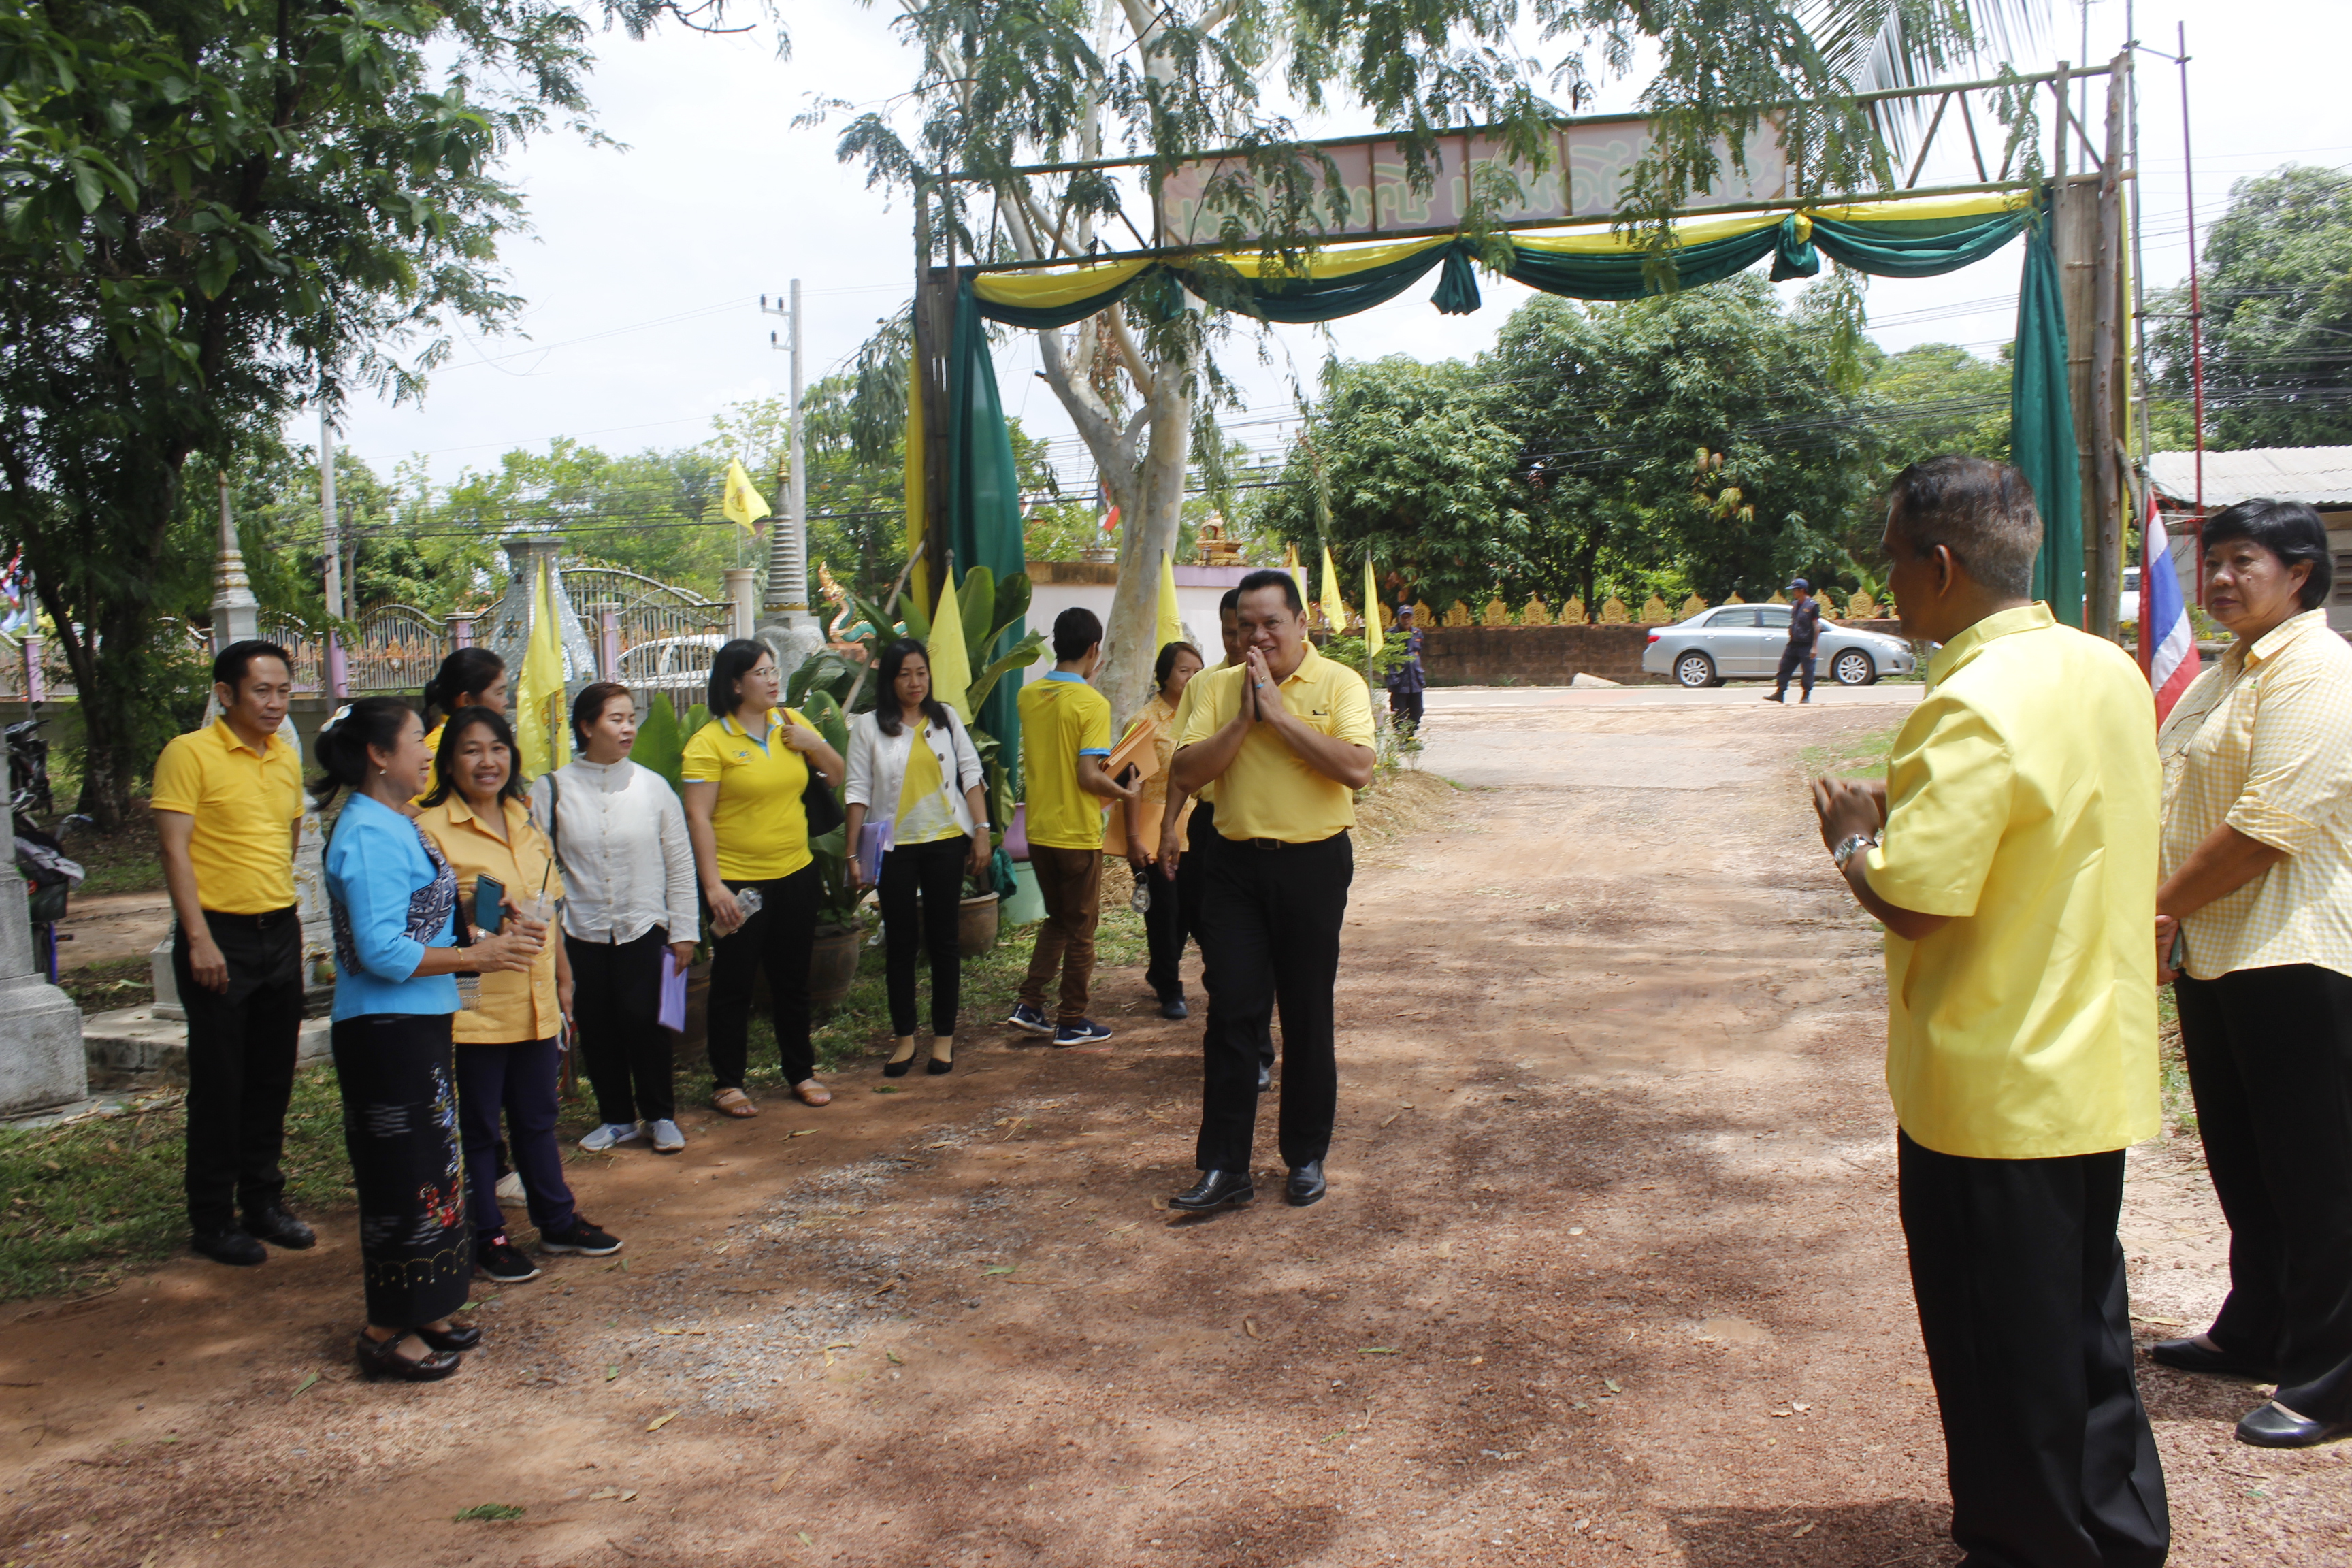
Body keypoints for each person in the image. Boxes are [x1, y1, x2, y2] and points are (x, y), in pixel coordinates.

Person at [1810, 456, 2169, 1565]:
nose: (1887, 585)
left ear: (1942, 565)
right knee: (2081, 1318)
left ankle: (2029, 1542)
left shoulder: (1968, 699)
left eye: (1893, 563)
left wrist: (1854, 838)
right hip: (2088, 1060)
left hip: (1990, 1081)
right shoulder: (2104, 668)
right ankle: (2116, 1522)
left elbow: (1918, 901)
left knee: (1996, 1341)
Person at [2146, 497, 2352, 1450]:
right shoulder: (2224, 673)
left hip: (2296, 953)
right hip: (2221, 953)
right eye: (2212, 563)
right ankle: (2257, 1327)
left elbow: (2271, 824)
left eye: (2243, 563)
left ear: (2301, 571)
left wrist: (2163, 907)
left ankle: (2330, 1379)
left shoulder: (2316, 669)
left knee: (2318, 1174)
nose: (2220, 580)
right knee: (2245, 1159)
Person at [315, 697, 541, 1382]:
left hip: (418, 1021)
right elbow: (384, 952)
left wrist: (485, 928)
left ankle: (431, 1307)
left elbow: (427, 921)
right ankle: (386, 1331)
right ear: (379, 755)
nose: (428, 747)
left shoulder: (398, 822)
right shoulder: (366, 835)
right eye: (419, 738)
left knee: (432, 1171)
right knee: (401, 1178)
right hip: (385, 1032)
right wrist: (479, 959)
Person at [1170, 569, 1375, 1213]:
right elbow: (1183, 769)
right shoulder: (1214, 687)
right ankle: (1225, 1167)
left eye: (1270, 624)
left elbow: (1358, 769)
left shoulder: (1340, 682)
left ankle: (1305, 1156)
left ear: (1299, 625)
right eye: (1244, 627)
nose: (1257, 637)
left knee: (1307, 1010)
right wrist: (1244, 719)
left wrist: (1282, 718)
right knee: (1232, 1010)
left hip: (1314, 865)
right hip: (1232, 865)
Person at [416, 708, 622, 1284]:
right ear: (449, 763)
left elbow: (549, 906)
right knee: (482, 1126)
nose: (488, 762)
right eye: (472, 751)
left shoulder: (525, 819)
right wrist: (484, 919)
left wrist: (563, 975)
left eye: (498, 749)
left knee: (538, 1116)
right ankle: (488, 1237)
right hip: (475, 999)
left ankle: (557, 1220)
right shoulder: (431, 828)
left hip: (535, 994)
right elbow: (436, 920)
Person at [152, 640, 313, 1267]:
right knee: (222, 1081)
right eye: (262, 692)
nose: (275, 704)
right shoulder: (188, 755)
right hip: (219, 935)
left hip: (281, 929)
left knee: (273, 1076)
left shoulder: (284, 759)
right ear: (226, 695)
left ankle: (264, 1203)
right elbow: (174, 850)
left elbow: (290, 837)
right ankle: (212, 1218)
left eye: (283, 691)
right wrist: (197, 939)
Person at [682, 638, 847, 1115]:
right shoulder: (709, 743)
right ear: (735, 684)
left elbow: (835, 777)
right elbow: (698, 818)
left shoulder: (792, 724)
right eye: (761, 672)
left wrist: (815, 746)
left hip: (795, 872)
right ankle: (728, 1082)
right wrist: (713, 887)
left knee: (792, 980)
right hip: (739, 883)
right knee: (733, 984)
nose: (774, 679)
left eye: (774, 670)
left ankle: (801, 1072)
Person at [533, 683, 699, 1156]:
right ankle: (616, 1118)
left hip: (643, 925)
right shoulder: (553, 789)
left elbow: (679, 861)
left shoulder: (653, 788)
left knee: (647, 1024)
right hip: (581, 930)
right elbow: (540, 865)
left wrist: (684, 930)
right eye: (616, 719)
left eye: (631, 719)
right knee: (598, 1025)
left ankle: (660, 1115)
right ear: (586, 727)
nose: (628, 728)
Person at [845, 639, 992, 1076]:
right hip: (893, 849)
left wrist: (981, 832)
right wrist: (853, 853)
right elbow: (856, 790)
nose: (915, 682)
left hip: (946, 842)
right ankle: (905, 1038)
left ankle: (944, 1039)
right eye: (905, 674)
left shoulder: (946, 719)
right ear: (890, 680)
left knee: (945, 941)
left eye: (921, 673)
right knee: (901, 946)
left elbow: (971, 774)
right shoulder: (870, 727)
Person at [1159, 590, 1276, 1088]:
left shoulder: (1279, 681)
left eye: (1244, 631)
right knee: (1222, 946)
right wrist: (1169, 826)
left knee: (1266, 944)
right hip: (1210, 827)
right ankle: (1234, 1043)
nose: (1238, 641)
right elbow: (1182, 767)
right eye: (1229, 632)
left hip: (1265, 827)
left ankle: (1259, 1048)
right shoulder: (1205, 686)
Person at [1007, 607, 1138, 1047]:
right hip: (1077, 833)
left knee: (1058, 920)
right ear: (1093, 649)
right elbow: (1087, 775)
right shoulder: (1090, 704)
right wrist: (1125, 792)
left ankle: (1030, 1003)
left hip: (1039, 830)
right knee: (1082, 929)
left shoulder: (1030, 696)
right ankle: (1072, 1018)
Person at [1122, 640, 1204, 1019]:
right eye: (1184, 670)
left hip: (1199, 829)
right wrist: (1134, 839)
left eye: (1197, 670)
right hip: (1155, 831)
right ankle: (1171, 989)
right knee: (1164, 911)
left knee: (1191, 909)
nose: (1192, 677)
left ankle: (1160, 971)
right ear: (1164, 674)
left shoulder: (1205, 715)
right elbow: (1130, 783)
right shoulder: (1144, 721)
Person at [419, 647, 508, 800]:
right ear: (467, 701)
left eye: (497, 749)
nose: (506, 702)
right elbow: (418, 808)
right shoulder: (438, 746)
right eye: (499, 693)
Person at [1765, 578, 1821, 704]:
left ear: (1802, 590)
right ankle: (1780, 693)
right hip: (1794, 643)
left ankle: (1806, 695)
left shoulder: (1812, 605)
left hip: (1806, 644)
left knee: (1808, 670)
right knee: (1784, 666)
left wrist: (1814, 647)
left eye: (1795, 590)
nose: (1793, 593)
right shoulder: (1795, 604)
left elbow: (1816, 627)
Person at [1384, 604, 1426, 731]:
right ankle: (1402, 739)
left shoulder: (1417, 633)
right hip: (1399, 680)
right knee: (1399, 712)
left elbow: (1419, 653)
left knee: (1417, 711)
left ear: (1413, 618)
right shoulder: (1391, 634)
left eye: (1409, 617)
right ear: (1399, 618)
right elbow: (1387, 657)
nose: (1406, 620)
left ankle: (1410, 737)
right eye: (1404, 617)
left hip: (1415, 680)